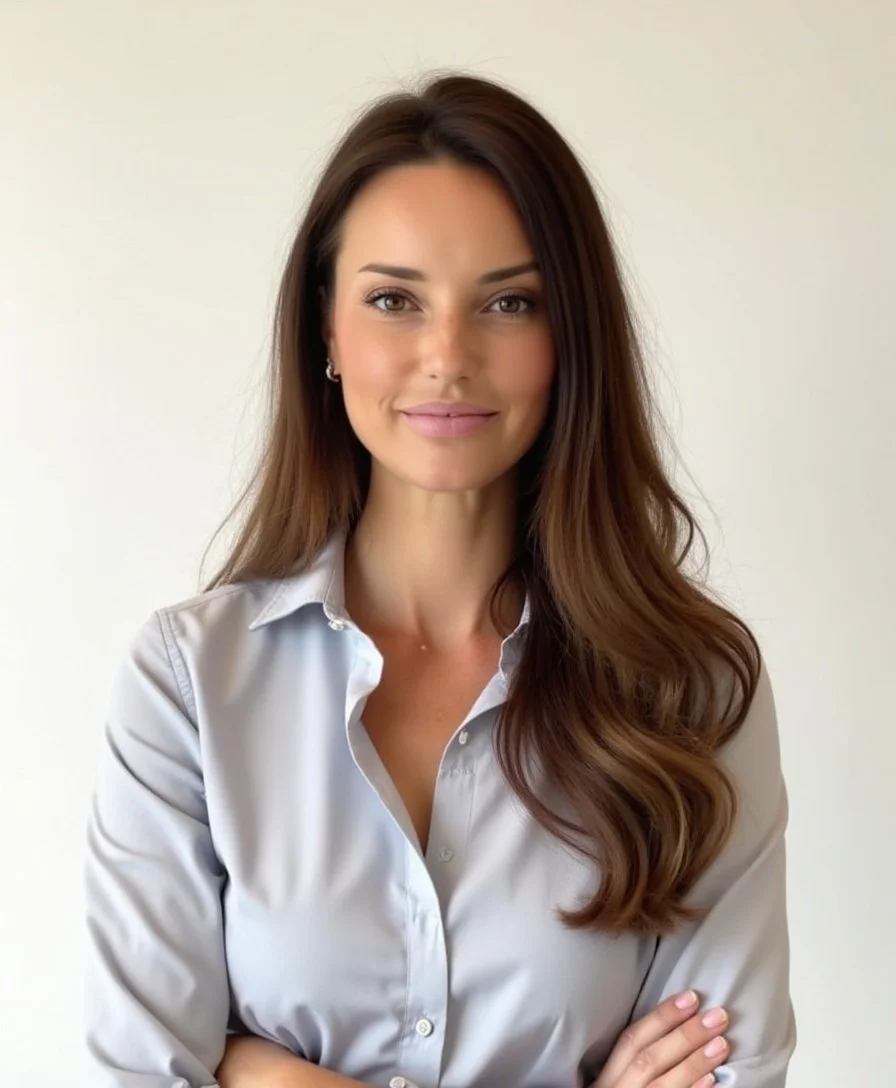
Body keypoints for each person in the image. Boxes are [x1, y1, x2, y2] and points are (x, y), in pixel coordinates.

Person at [84, 72, 796, 1088]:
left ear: (569, 339)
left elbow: (730, 1067)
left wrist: (265, 1073)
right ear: (326, 331)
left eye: (508, 301)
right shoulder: (187, 684)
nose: (448, 356)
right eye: (393, 300)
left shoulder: (690, 688)